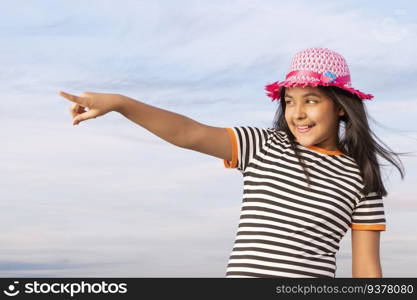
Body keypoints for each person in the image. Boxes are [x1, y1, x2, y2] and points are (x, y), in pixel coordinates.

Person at [58, 47, 406, 278]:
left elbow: (366, 269)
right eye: (289, 101)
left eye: (311, 100)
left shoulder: (361, 177)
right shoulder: (263, 145)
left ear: (341, 106)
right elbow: (188, 133)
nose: (297, 113)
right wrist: (121, 103)